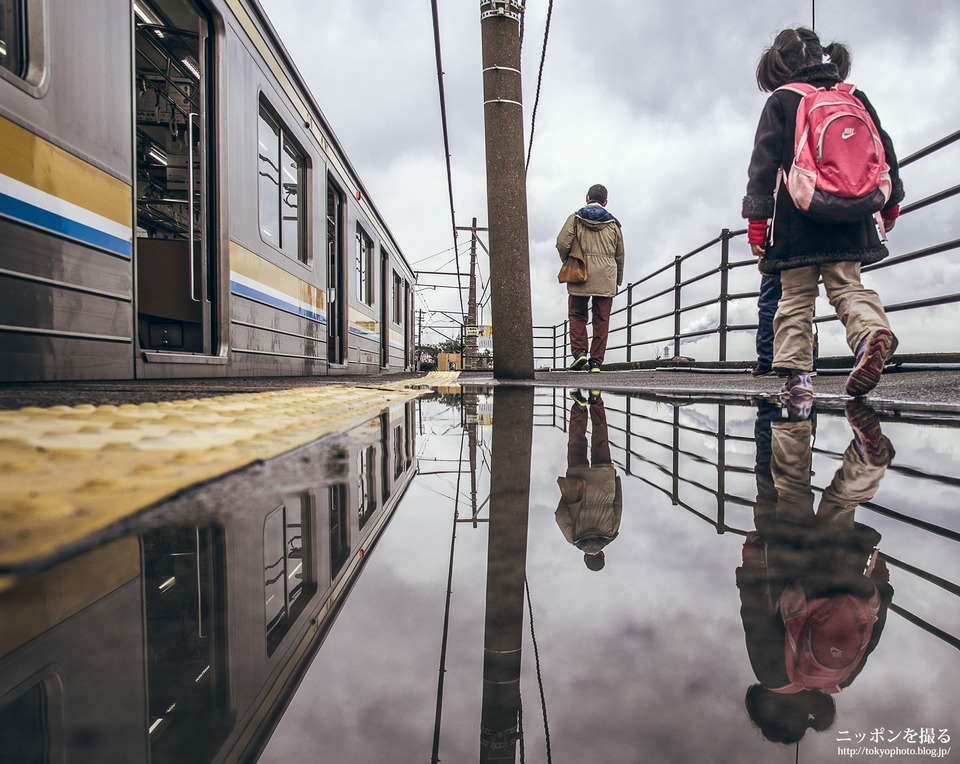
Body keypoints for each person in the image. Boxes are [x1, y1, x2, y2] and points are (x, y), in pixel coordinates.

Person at [742, 28, 904, 399]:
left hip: (797, 219)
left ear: (780, 66)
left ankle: (797, 380)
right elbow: (885, 152)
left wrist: (757, 222)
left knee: (794, 299)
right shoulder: (852, 96)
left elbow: (763, 167)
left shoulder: (783, 100)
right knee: (848, 287)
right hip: (852, 214)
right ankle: (870, 334)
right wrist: (890, 203)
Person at [737, 399, 895, 744]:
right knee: (792, 486)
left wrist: (881, 584)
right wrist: (750, 560)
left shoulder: (841, 680)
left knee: (842, 502)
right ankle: (795, 409)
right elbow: (755, 614)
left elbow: (874, 628)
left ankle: (867, 464)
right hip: (790, 561)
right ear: (767, 711)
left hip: (842, 568)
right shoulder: (771, 675)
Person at [556, 184, 625, 372]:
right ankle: (596, 362)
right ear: (605, 202)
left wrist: (570, 261)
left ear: (587, 198)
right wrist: (617, 281)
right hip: (606, 275)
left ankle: (579, 353)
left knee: (577, 314)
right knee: (601, 319)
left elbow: (562, 243)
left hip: (581, 273)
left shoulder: (575, 219)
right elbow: (620, 255)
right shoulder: (614, 225)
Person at [555, 390, 622, 570]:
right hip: (578, 485)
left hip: (604, 482)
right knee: (576, 441)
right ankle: (579, 408)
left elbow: (618, 505)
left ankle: (596, 400)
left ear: (603, 555)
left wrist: (615, 481)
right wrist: (569, 496)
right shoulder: (573, 538)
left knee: (601, 439)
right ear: (585, 559)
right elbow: (560, 516)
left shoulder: (611, 533)